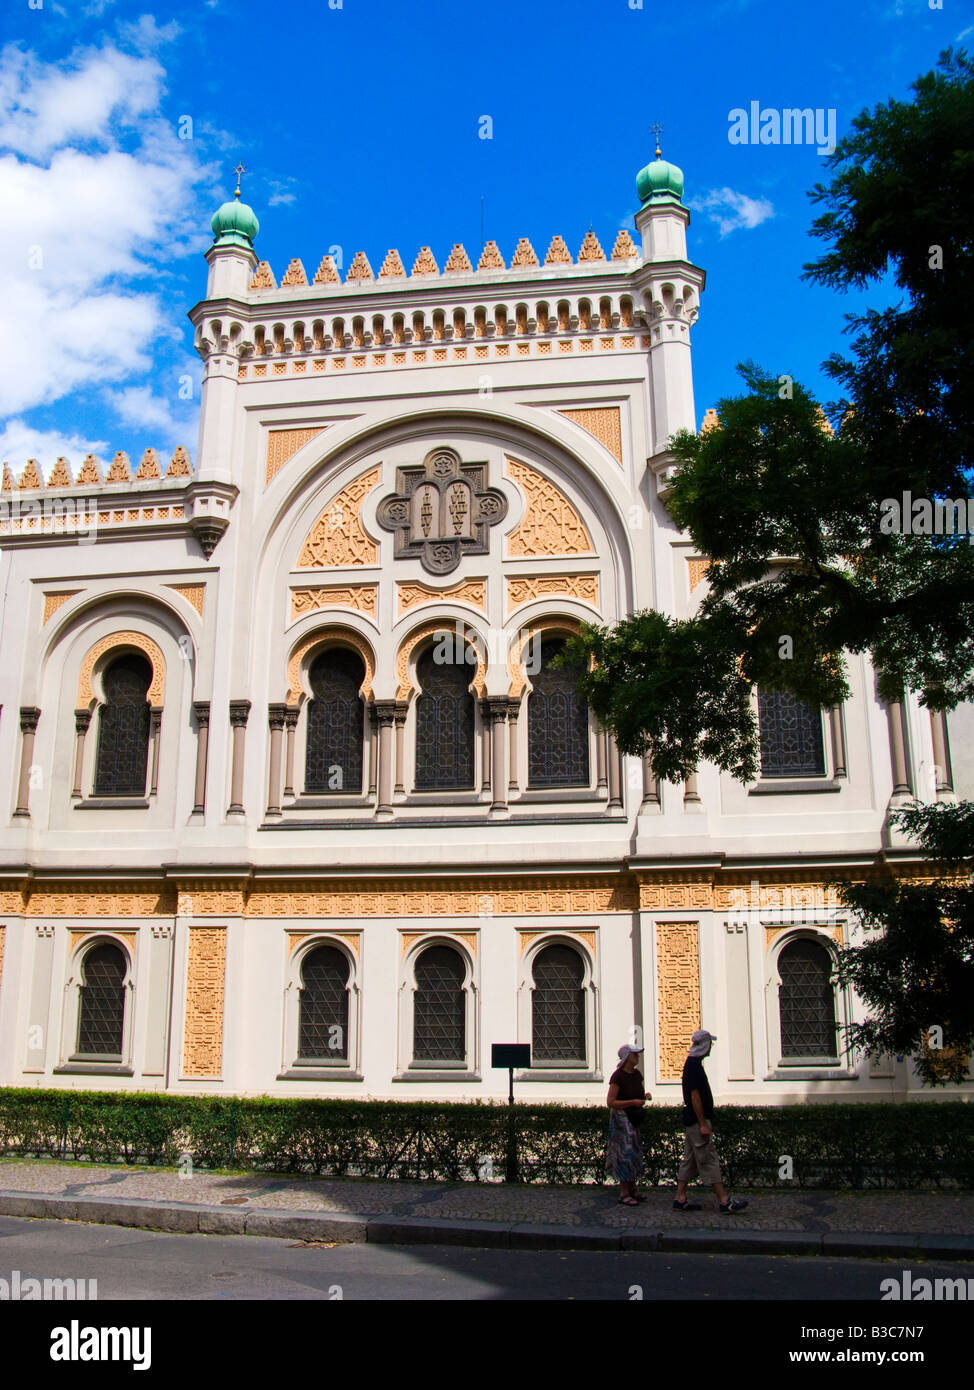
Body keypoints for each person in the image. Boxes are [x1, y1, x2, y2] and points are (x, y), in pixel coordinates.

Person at [673, 1029, 748, 1214]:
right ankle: (724, 1201)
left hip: (693, 1121)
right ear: (704, 1045)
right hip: (698, 1122)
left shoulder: (692, 1064)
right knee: (709, 1159)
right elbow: (695, 1097)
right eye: (710, 1044)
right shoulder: (694, 1067)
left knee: (689, 1160)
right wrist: (703, 1124)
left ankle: (679, 1198)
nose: (711, 1048)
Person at [606, 1043, 651, 1205]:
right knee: (624, 1154)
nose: (637, 1057)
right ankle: (624, 1192)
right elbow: (611, 1101)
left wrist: (644, 1097)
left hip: (634, 1119)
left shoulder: (637, 1074)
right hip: (622, 1121)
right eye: (634, 1054)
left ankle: (632, 1189)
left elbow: (637, 1093)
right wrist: (632, 1102)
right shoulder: (618, 1076)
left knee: (635, 1154)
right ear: (627, 1057)